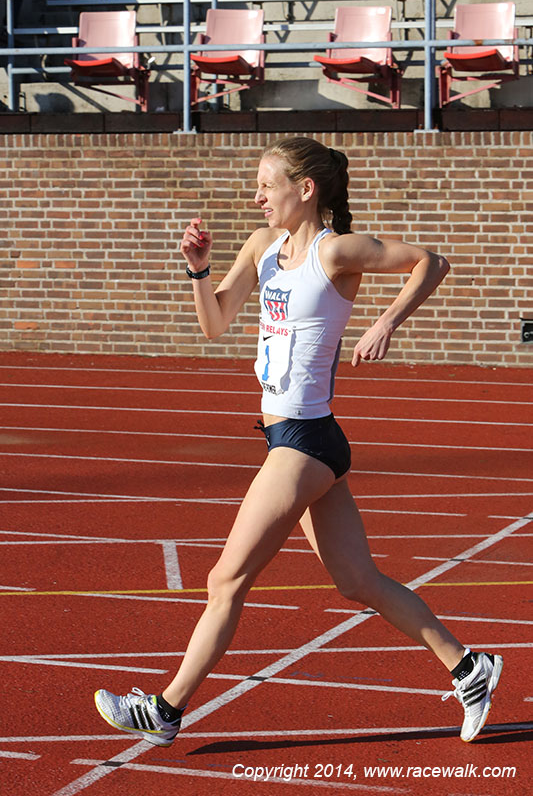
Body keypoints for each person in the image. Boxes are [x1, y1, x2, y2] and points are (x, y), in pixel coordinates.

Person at [94, 136, 502, 746]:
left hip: (305, 442)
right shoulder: (263, 247)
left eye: (267, 186)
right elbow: (214, 324)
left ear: (303, 190)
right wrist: (199, 271)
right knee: (358, 580)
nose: (256, 197)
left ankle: (167, 707)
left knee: (226, 581)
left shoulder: (337, 252)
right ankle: (471, 668)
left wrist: (385, 321)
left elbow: (431, 262)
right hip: (295, 438)